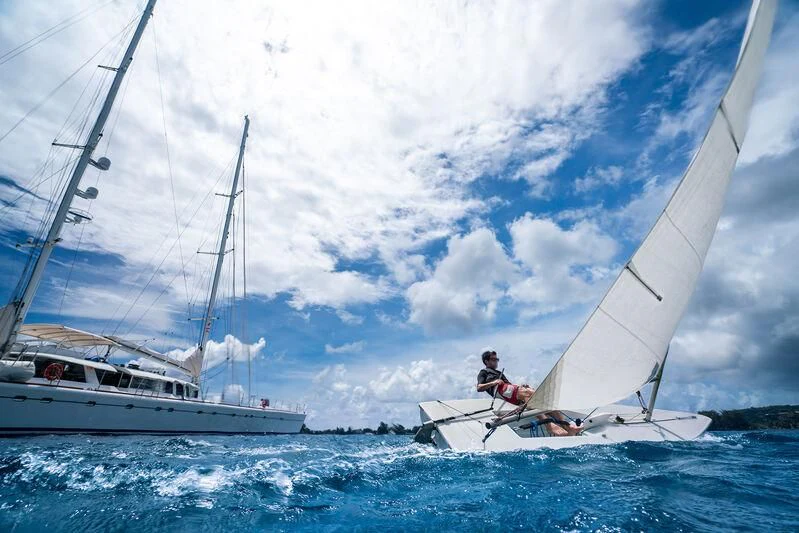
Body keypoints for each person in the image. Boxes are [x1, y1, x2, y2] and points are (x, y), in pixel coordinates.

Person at [476, 350, 580, 437]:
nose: (496, 362)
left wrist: (522, 387)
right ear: (486, 361)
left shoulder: (499, 373)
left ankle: (567, 427)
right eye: (493, 359)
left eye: (497, 359)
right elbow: (479, 387)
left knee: (542, 399)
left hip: (509, 390)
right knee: (531, 393)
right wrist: (494, 382)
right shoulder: (484, 372)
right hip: (499, 390)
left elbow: (511, 386)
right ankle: (550, 426)